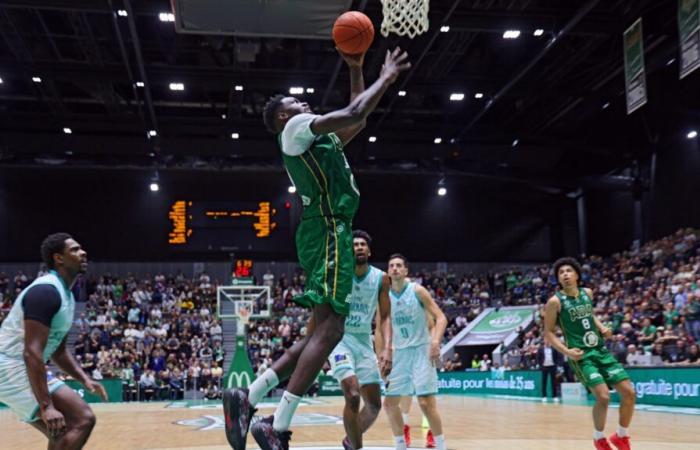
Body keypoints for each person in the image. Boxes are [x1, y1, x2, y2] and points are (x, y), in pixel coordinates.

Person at [223, 46, 411, 450]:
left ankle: (248, 397)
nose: (304, 102)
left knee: (313, 336)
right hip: (329, 231)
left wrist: (358, 69)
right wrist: (387, 76)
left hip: (324, 232)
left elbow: (356, 120)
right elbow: (355, 113)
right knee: (331, 329)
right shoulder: (294, 130)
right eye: (295, 102)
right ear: (283, 116)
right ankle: (277, 422)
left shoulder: (317, 143)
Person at [0, 233, 108, 449]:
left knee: (64, 431)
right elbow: (32, 352)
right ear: (59, 258)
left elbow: (58, 351)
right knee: (79, 420)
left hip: (20, 365)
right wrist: (46, 405)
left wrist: (84, 380)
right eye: (75, 250)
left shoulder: (65, 294)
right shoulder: (46, 291)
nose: (83, 252)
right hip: (8, 366)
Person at [543, 257, 635, 450]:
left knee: (629, 393)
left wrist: (601, 327)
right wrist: (567, 351)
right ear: (558, 279)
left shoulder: (587, 293)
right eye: (561, 272)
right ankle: (599, 439)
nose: (565, 274)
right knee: (603, 397)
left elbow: (590, 315)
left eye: (569, 271)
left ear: (577, 275)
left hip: (600, 350)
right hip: (581, 355)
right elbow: (548, 332)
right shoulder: (554, 302)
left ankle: (621, 435)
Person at [327, 230, 392, 450]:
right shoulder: (339, 274)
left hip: (364, 341)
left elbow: (385, 317)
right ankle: (356, 447)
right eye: (355, 244)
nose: (359, 247)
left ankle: (350, 440)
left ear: (369, 250)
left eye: (363, 244)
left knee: (374, 405)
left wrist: (387, 349)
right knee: (353, 395)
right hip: (340, 338)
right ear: (349, 250)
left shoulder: (381, 278)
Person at [382, 254, 448, 450]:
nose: (395, 268)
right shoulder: (384, 297)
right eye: (391, 266)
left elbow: (441, 318)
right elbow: (380, 326)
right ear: (388, 271)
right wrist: (382, 354)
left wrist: (435, 341)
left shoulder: (418, 291)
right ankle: (400, 444)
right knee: (390, 403)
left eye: (399, 265)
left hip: (421, 350)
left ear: (405, 271)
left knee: (426, 403)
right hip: (399, 353)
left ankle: (440, 444)